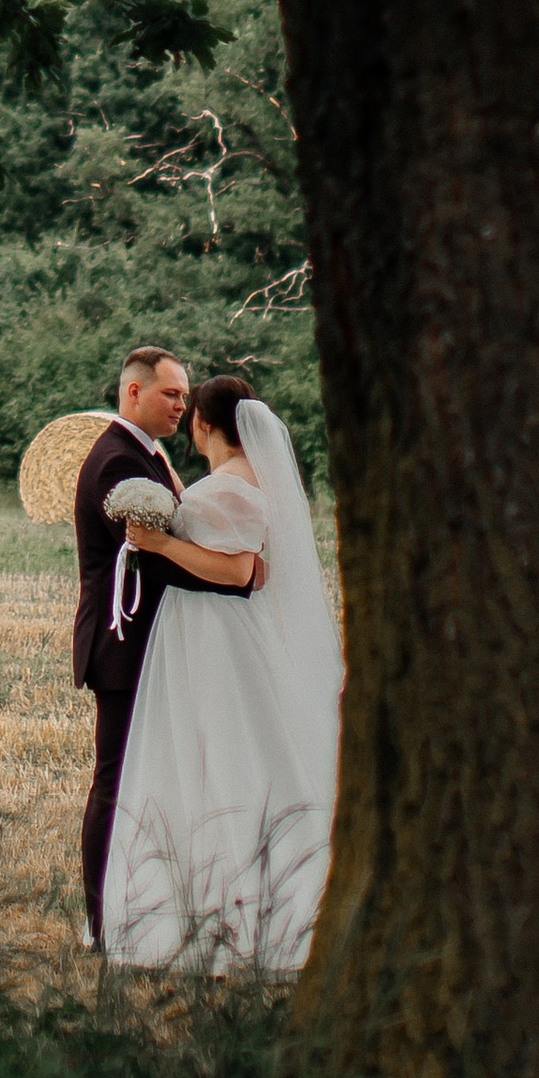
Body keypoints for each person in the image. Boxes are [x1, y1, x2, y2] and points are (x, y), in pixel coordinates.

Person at [97, 369, 341, 975]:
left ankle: (222, 911)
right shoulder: (255, 480)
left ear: (205, 424)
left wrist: (159, 544)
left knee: (215, 754)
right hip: (225, 628)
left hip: (211, 634)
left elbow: (234, 571)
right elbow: (254, 567)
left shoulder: (227, 486)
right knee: (230, 751)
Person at [70, 346, 267, 948]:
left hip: (155, 644)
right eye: (171, 394)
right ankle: (103, 924)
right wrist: (237, 578)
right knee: (114, 784)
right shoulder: (116, 461)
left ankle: (146, 907)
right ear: (134, 392)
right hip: (124, 644)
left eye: (185, 396)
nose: (182, 405)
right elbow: (151, 562)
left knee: (148, 780)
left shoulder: (148, 456)